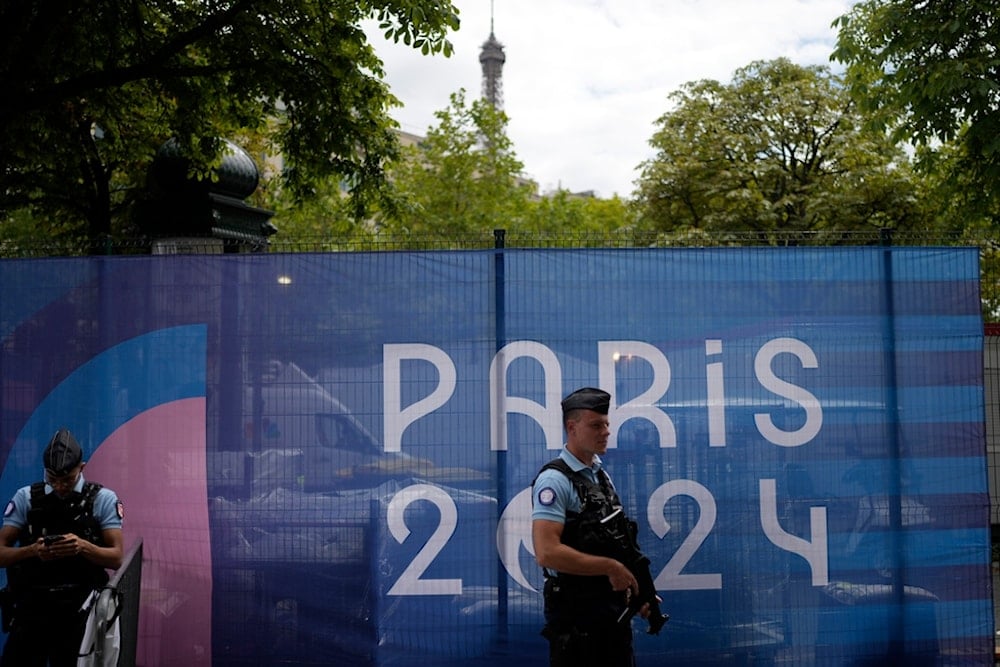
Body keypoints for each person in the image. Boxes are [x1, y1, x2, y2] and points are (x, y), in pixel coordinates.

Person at [531, 387, 658, 667]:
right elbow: (547, 552)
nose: (605, 432)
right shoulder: (554, 481)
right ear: (571, 427)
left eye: (607, 424)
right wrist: (611, 568)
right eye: (596, 425)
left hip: (610, 616)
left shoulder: (601, 476)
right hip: (576, 621)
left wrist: (639, 591)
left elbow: (616, 542)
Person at [0, 428, 124, 667]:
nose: (59, 486)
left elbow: (117, 557)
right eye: (52, 479)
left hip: (80, 610)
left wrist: (82, 547)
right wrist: (32, 551)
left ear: (82, 468)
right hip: (32, 607)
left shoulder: (102, 500)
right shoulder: (26, 498)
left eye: (67, 479)